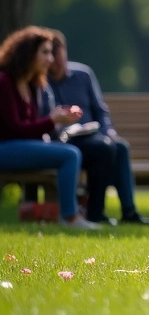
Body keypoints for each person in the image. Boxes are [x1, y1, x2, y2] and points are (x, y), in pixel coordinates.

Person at [45, 30, 149, 225]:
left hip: (91, 135)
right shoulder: (42, 82)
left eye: (59, 55)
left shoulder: (83, 74)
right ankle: (95, 211)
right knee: (105, 149)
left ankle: (128, 211)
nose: (56, 62)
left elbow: (100, 111)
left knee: (119, 147)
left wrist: (108, 132)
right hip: (63, 140)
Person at [0, 26, 95, 229]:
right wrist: (53, 121)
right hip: (5, 148)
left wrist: (60, 120)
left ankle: (69, 214)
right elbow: (15, 128)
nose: (51, 59)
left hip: (19, 147)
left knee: (70, 152)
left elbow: (33, 129)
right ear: (27, 53)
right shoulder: (4, 82)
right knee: (70, 154)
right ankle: (69, 217)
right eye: (45, 52)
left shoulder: (32, 85)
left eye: (51, 52)